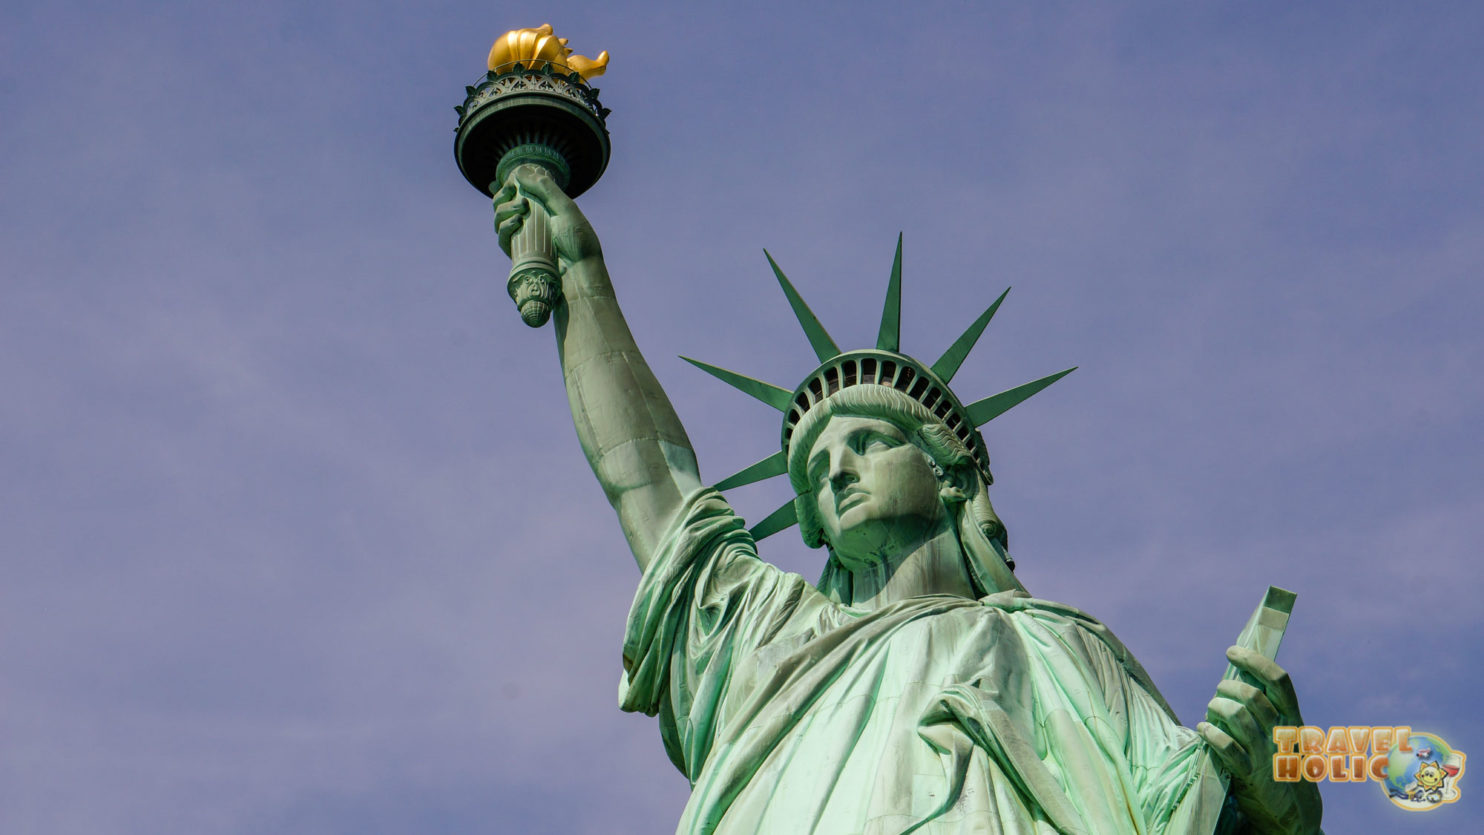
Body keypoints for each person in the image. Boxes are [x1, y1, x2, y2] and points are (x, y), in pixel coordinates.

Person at [494, 164, 1323, 834]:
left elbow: (1194, 804)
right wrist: (583, 280)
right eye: (817, 466)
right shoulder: (772, 643)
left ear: (950, 475)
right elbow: (649, 481)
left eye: (868, 442)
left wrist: (1281, 783)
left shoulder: (1063, 653)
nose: (837, 470)